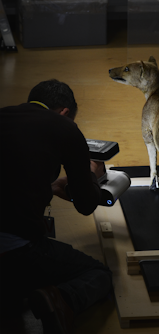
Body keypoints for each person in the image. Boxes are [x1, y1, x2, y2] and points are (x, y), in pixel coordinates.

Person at [0, 79, 112, 334]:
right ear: (64, 113)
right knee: (99, 274)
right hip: (13, 252)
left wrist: (47, 187)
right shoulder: (63, 126)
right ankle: (61, 301)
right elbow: (85, 205)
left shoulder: (5, 116)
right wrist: (91, 175)